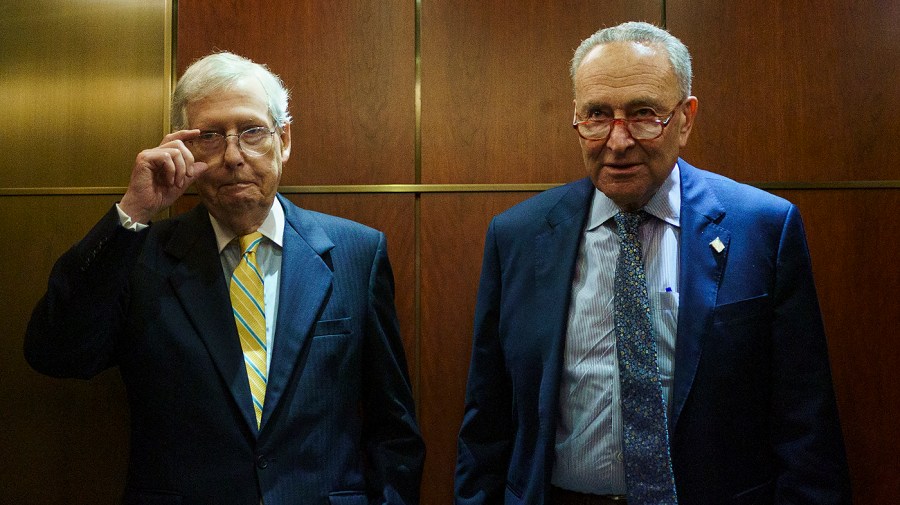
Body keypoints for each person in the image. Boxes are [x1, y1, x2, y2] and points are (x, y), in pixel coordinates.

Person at [455, 22, 851, 505]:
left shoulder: (763, 228)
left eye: (644, 115)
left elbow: (805, 424)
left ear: (685, 119)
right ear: (576, 118)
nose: (618, 141)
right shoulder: (517, 236)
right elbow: (487, 422)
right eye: (597, 115)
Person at [25, 52, 425, 504]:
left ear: (284, 140)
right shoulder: (141, 257)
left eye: (252, 132)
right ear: (184, 148)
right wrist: (132, 214)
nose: (233, 156)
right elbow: (56, 353)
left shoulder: (357, 253)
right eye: (210, 137)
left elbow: (393, 429)